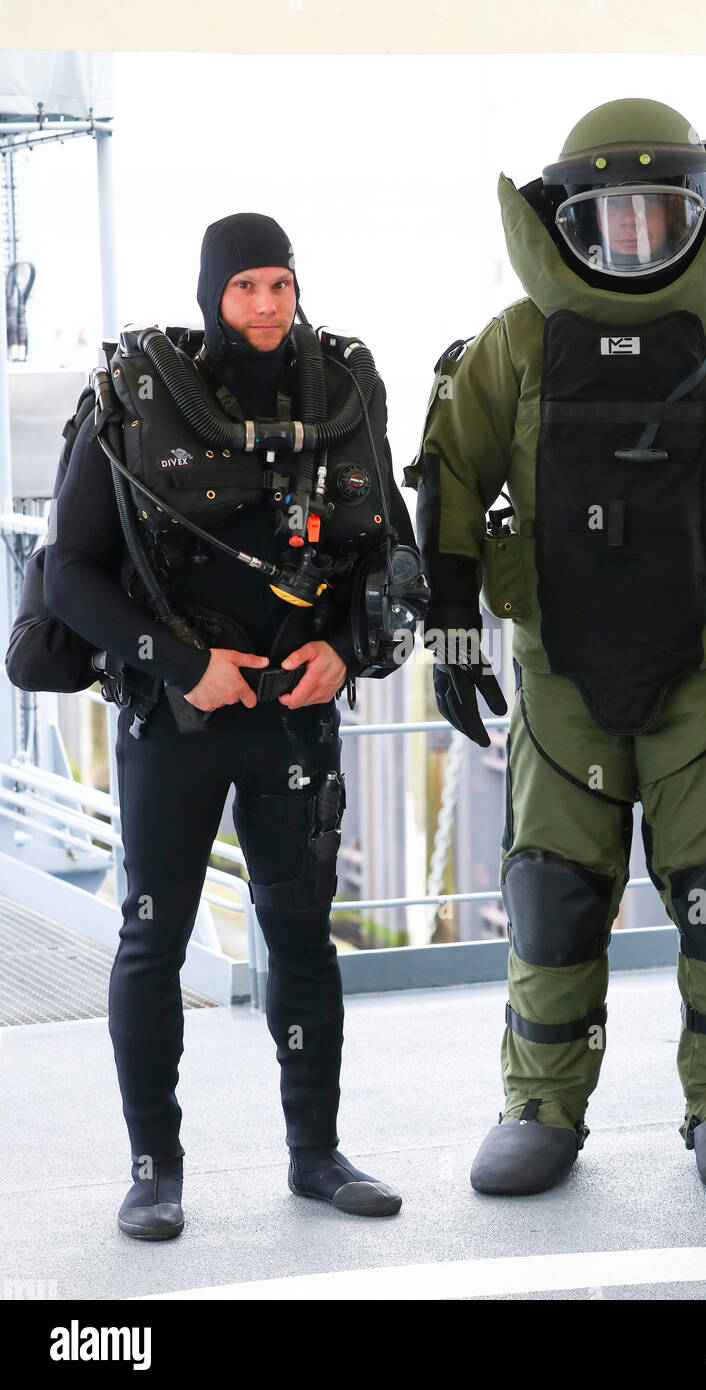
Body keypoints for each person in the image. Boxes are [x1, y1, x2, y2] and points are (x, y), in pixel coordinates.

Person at [405, 98, 706, 1195]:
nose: (638, 239)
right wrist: (454, 632)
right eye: (614, 218)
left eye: (662, 217)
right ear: (571, 222)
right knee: (552, 897)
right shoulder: (514, 346)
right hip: (560, 681)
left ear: (701, 217)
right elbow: (451, 486)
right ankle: (540, 1104)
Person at [44, 212, 418, 1236]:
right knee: (153, 938)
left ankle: (316, 1154)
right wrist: (182, 664)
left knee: (302, 936)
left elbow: (391, 551)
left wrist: (344, 648)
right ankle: (153, 1167)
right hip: (177, 719)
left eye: (280, 286)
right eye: (246, 286)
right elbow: (64, 575)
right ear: (216, 292)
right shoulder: (141, 397)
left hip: (294, 719)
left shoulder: (342, 393)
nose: (264, 305)